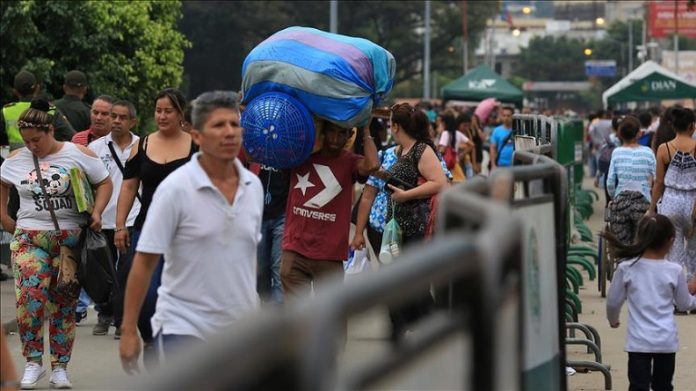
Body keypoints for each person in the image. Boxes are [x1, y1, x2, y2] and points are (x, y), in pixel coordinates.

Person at [119, 91, 263, 373]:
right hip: (183, 327)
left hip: (239, 329)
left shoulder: (252, 187)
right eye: (218, 126)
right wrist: (128, 331)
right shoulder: (175, 190)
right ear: (197, 136)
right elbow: (144, 263)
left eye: (234, 125)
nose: (229, 133)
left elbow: (247, 255)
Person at [0, 98, 112, 389]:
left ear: (51, 131)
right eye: (26, 141)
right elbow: (2, 183)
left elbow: (104, 182)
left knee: (63, 305)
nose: (31, 146)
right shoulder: (16, 159)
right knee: (31, 299)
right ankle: (33, 361)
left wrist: (97, 211)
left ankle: (60, 367)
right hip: (29, 238)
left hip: (69, 244)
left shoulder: (79, 154)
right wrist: (3, 216)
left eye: (36, 139)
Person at [114, 88, 195, 367]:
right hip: (147, 229)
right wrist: (120, 226)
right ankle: (149, 339)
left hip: (185, 234)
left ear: (180, 113)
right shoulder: (143, 144)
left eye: (168, 110)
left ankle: (176, 352)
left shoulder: (196, 146)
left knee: (179, 293)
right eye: (158, 110)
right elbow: (128, 186)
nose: (161, 115)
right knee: (146, 295)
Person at [280, 118, 379, 298]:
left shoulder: (350, 162)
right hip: (294, 250)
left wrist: (365, 130)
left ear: (349, 136)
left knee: (331, 321)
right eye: (331, 131)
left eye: (342, 133)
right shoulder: (300, 155)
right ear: (323, 132)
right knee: (296, 321)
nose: (335, 138)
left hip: (330, 255)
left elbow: (372, 165)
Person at [605, 214, 696, 391]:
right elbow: (684, 304)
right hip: (666, 341)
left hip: (638, 342)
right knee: (663, 386)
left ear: (640, 237)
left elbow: (613, 301)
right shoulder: (674, 270)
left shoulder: (626, 268)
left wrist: (613, 319)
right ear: (671, 240)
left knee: (638, 386)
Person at [383, 103, 448, 341]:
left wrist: (405, 196)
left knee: (413, 283)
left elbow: (440, 182)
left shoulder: (421, 150)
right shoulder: (402, 150)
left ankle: (430, 328)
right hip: (397, 229)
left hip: (415, 229)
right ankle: (403, 331)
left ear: (396, 126)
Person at [87, 100, 142, 337]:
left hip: (132, 217)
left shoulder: (142, 146)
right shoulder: (95, 148)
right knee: (104, 274)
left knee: (126, 270)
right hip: (102, 219)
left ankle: (122, 321)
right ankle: (105, 312)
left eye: (122, 117)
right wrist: (92, 212)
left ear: (132, 122)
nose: (116, 121)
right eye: (113, 116)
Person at [649, 107, 696, 282]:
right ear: (692, 126)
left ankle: (678, 297)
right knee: (694, 252)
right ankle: (693, 296)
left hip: (670, 202)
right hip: (693, 202)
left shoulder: (664, 149)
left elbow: (658, 183)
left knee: (674, 251)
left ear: (673, 126)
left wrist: (651, 208)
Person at [606, 116, 656, 245]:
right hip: (643, 202)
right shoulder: (648, 152)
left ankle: (623, 262)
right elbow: (656, 179)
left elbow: (610, 182)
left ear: (620, 134)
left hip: (621, 201)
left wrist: (613, 198)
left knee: (621, 245)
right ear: (639, 133)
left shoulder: (617, 152)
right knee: (641, 243)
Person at [1, 71, 75, 149]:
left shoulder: (6, 111)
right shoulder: (49, 109)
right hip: (45, 157)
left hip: (16, 158)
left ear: (15, 92)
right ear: (37, 88)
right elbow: (72, 136)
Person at [256, 163, 289, 304]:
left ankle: (276, 320)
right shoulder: (256, 147)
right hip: (258, 214)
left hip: (283, 214)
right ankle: (266, 311)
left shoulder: (291, 148)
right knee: (261, 270)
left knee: (278, 270)